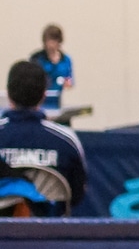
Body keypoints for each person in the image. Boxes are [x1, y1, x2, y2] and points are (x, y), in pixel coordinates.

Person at [0, 60, 86, 215]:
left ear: (8, 93)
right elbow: (76, 195)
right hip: (51, 228)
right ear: (44, 95)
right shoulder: (66, 141)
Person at [29, 24, 74, 111]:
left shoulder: (66, 60)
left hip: (57, 102)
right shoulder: (36, 58)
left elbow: (69, 81)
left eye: (54, 40)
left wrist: (67, 83)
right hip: (39, 104)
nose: (51, 44)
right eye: (48, 40)